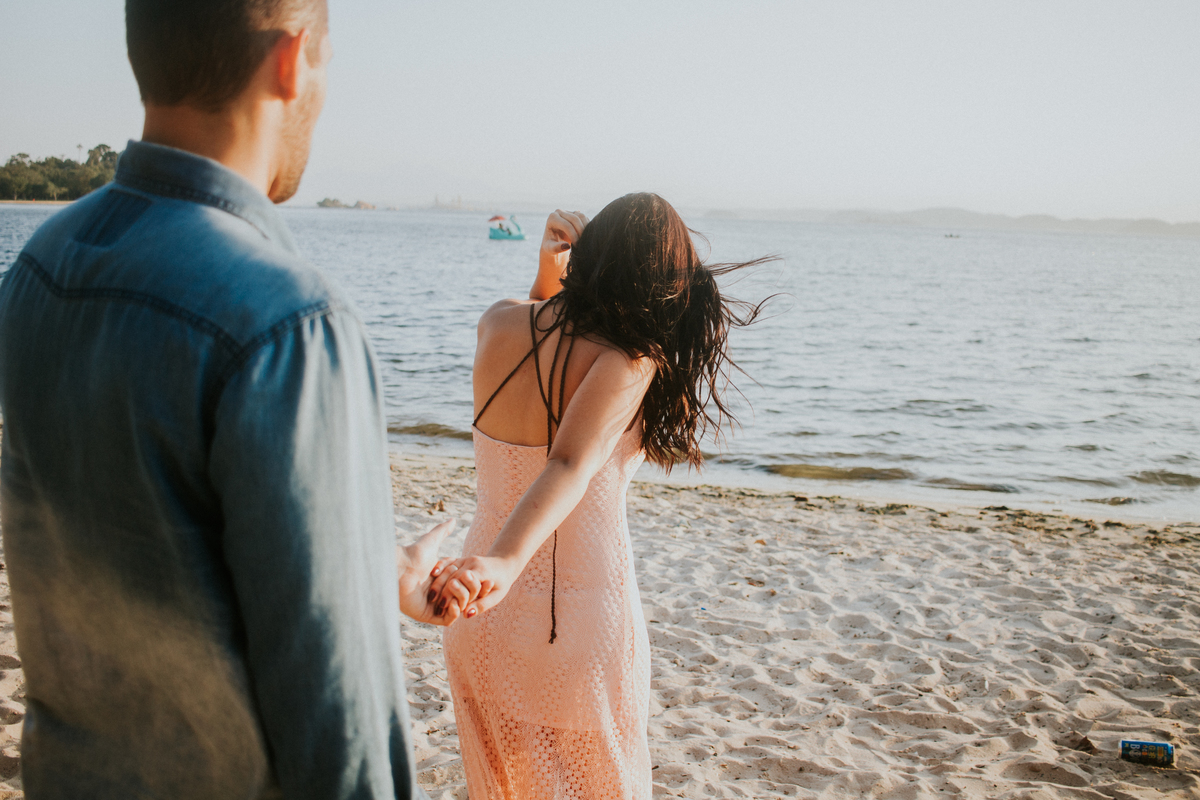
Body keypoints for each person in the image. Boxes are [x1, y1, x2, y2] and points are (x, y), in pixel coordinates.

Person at [0, 1, 454, 797]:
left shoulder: (41, 267)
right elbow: (339, 720)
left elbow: (151, 533)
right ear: (292, 59)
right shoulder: (286, 323)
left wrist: (366, 554)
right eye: (328, 63)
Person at [429, 194, 769, 798]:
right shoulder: (629, 361)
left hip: (481, 609)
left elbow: (542, 321)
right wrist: (509, 563)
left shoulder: (496, 323)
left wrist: (547, 271)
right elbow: (568, 463)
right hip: (580, 623)